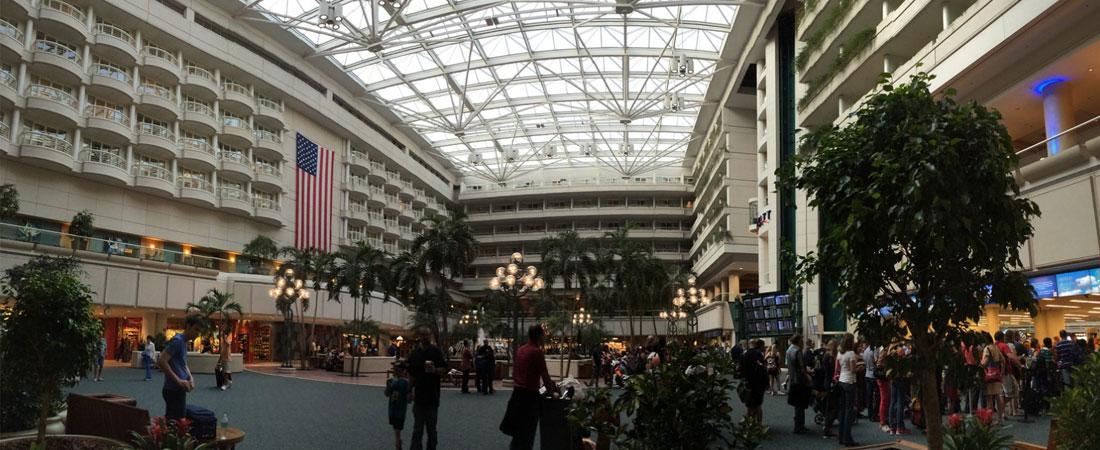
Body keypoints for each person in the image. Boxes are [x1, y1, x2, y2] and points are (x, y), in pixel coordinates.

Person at [500, 325, 557, 450]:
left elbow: (515, 372)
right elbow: (546, 377)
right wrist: (552, 394)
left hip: (517, 395)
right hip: (530, 397)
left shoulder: (521, 349)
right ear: (539, 336)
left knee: (518, 433)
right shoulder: (536, 352)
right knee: (527, 434)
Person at [407, 326, 446, 450]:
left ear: (431, 336)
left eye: (427, 335)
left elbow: (445, 368)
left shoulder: (436, 351)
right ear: (419, 336)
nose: (425, 337)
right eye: (423, 335)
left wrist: (435, 370)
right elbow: (411, 374)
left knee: (431, 429)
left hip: (432, 397)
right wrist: (409, 391)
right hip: (419, 397)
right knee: (417, 429)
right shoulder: (415, 353)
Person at [159, 315, 202, 420]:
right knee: (176, 423)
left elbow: (183, 363)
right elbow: (161, 361)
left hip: (179, 389)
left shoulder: (183, 342)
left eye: (199, 331)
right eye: (195, 329)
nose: (197, 334)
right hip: (173, 389)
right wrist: (179, 381)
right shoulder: (178, 341)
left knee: (178, 422)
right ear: (188, 326)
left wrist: (190, 377)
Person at [836, 333, 860, 447]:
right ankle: (847, 438)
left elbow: (837, 368)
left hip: (841, 381)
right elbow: (853, 370)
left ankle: (841, 437)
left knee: (843, 409)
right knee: (849, 411)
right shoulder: (851, 354)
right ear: (851, 341)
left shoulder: (840, 353)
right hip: (850, 382)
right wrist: (860, 367)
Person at [785, 334, 812, 433]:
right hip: (800, 381)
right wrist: (808, 378)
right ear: (798, 341)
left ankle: (799, 425)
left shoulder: (789, 351)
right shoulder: (798, 351)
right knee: (801, 404)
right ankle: (799, 426)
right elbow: (802, 368)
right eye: (801, 340)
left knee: (797, 404)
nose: (802, 342)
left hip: (793, 380)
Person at [740, 339, 768, 424]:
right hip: (758, 383)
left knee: (750, 404)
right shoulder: (758, 354)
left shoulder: (744, 354)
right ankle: (758, 423)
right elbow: (763, 367)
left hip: (747, 382)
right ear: (756, 344)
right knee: (758, 404)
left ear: (749, 344)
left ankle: (748, 420)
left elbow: (740, 368)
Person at [980, 332, 1005, 425]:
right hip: (997, 374)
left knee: (989, 398)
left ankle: (988, 419)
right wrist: (1002, 372)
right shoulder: (995, 347)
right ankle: (1000, 418)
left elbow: (985, 361)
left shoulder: (987, 348)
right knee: (998, 396)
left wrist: (980, 365)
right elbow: (1003, 360)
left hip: (989, 375)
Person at [385, 361, 410, 450]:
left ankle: (398, 446)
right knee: (396, 432)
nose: (396, 372)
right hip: (393, 410)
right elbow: (387, 394)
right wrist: (388, 386)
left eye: (397, 370)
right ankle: (399, 445)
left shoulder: (405, 383)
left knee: (397, 432)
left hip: (399, 411)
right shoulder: (393, 381)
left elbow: (409, 398)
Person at [862, 340, 879, 421]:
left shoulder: (865, 351)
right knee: (877, 395)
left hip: (867, 375)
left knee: (869, 396)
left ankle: (870, 414)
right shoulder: (874, 349)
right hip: (873, 375)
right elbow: (876, 360)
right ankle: (875, 414)